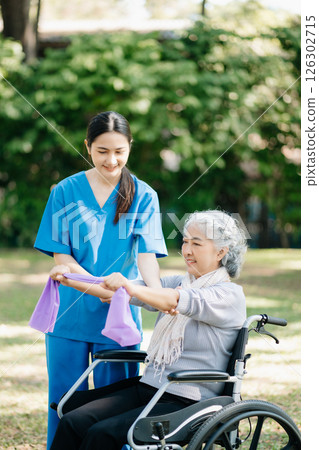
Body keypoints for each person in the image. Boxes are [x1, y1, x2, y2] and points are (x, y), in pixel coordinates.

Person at [49, 210, 247, 450]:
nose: (187, 250)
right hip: (151, 386)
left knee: (102, 434)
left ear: (221, 252)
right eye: (185, 241)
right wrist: (68, 278)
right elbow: (114, 290)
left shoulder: (228, 295)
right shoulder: (179, 282)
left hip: (188, 400)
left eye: (197, 243)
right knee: (73, 421)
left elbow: (172, 301)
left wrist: (129, 287)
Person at [33, 111, 168, 448]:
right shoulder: (65, 191)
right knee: (64, 402)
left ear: (130, 148)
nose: (112, 160)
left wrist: (156, 296)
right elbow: (62, 260)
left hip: (119, 314)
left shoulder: (144, 194)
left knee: (116, 406)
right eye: (102, 151)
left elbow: (147, 256)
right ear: (88, 148)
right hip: (69, 316)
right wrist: (99, 286)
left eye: (119, 151)